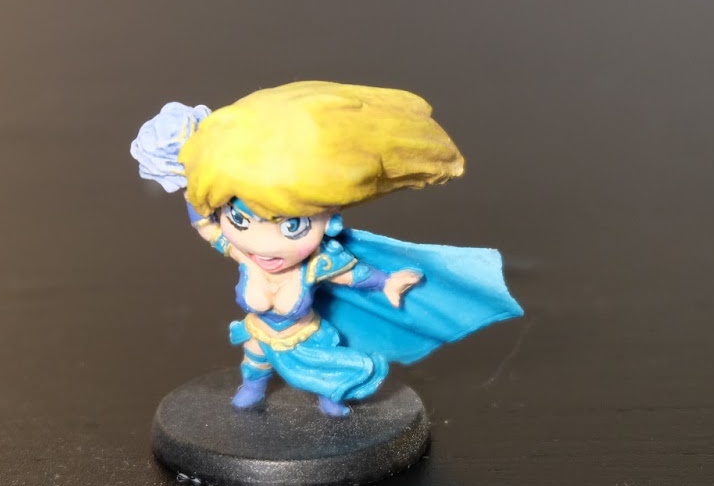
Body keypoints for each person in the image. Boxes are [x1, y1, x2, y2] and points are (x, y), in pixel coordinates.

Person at [132, 81, 521, 417]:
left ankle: (330, 397)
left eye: (292, 226)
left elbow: (355, 275)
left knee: (324, 372)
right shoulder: (244, 255)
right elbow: (205, 225)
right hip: (260, 331)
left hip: (305, 337)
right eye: (239, 219)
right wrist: (191, 184)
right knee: (254, 362)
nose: (263, 244)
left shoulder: (317, 263)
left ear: (330, 222)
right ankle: (251, 390)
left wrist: (387, 283)